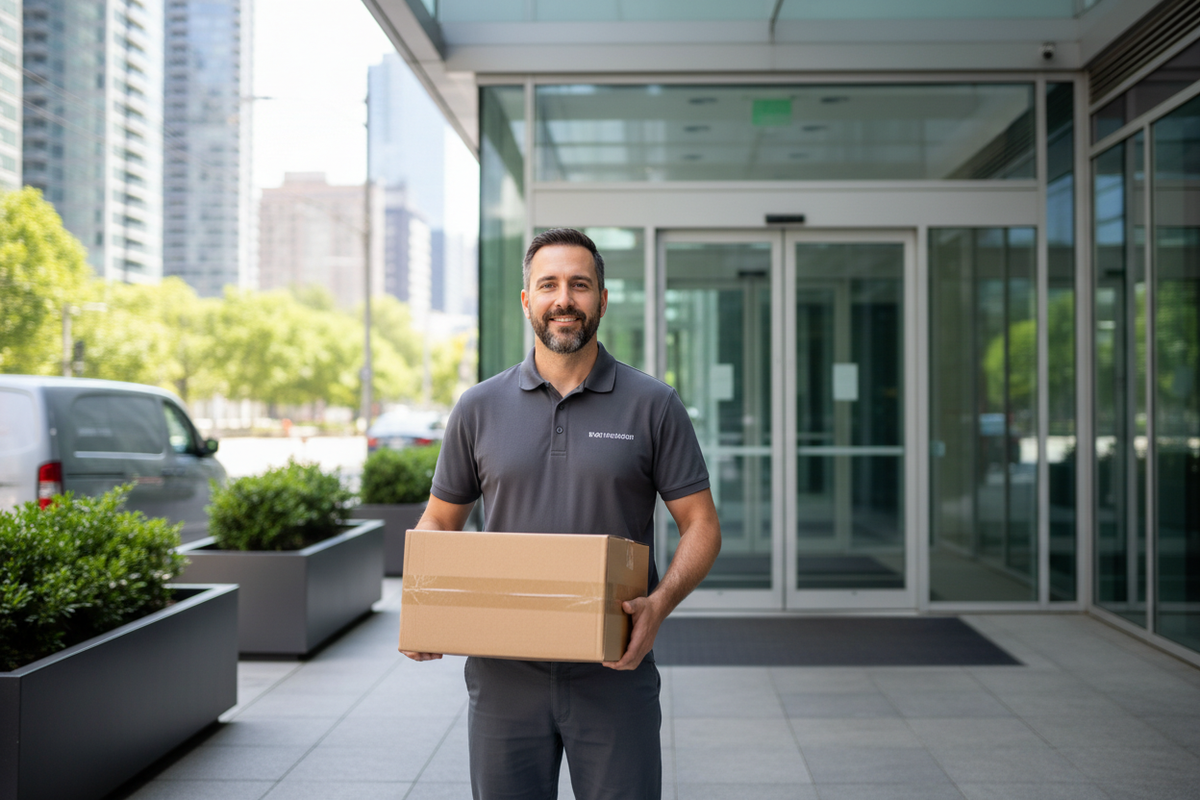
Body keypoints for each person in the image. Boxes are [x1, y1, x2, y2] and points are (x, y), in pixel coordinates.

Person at [403, 227, 721, 800]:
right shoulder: (478, 407)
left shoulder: (654, 405)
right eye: (548, 284)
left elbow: (701, 524)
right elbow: (440, 520)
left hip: (614, 668)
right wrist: (425, 604)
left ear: (602, 298)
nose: (563, 299)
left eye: (580, 284)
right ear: (527, 300)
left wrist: (660, 605)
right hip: (504, 674)